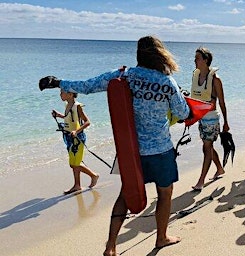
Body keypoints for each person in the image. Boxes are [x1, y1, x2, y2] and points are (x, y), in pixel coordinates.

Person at [39, 35, 190, 256]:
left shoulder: (125, 75)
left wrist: (59, 83)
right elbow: (182, 113)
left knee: (126, 194)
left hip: (131, 151)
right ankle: (161, 237)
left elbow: (89, 85)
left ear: (139, 54)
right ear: (160, 54)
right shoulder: (167, 82)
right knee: (165, 192)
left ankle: (111, 247)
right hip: (160, 149)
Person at [191, 47, 230, 191]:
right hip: (201, 118)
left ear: (206, 60)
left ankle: (201, 180)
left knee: (206, 148)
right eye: (195, 58)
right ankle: (219, 168)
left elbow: (222, 102)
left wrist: (226, 122)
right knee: (208, 147)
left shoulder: (215, 80)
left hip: (212, 119)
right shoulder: (195, 75)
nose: (195, 61)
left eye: (197, 58)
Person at [52, 90, 99, 194]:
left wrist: (76, 131)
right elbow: (68, 118)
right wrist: (59, 115)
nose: (60, 95)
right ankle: (77, 185)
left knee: (75, 164)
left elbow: (87, 122)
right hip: (69, 137)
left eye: (62, 93)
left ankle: (93, 175)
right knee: (73, 163)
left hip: (77, 138)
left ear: (70, 94)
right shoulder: (67, 104)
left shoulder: (77, 106)